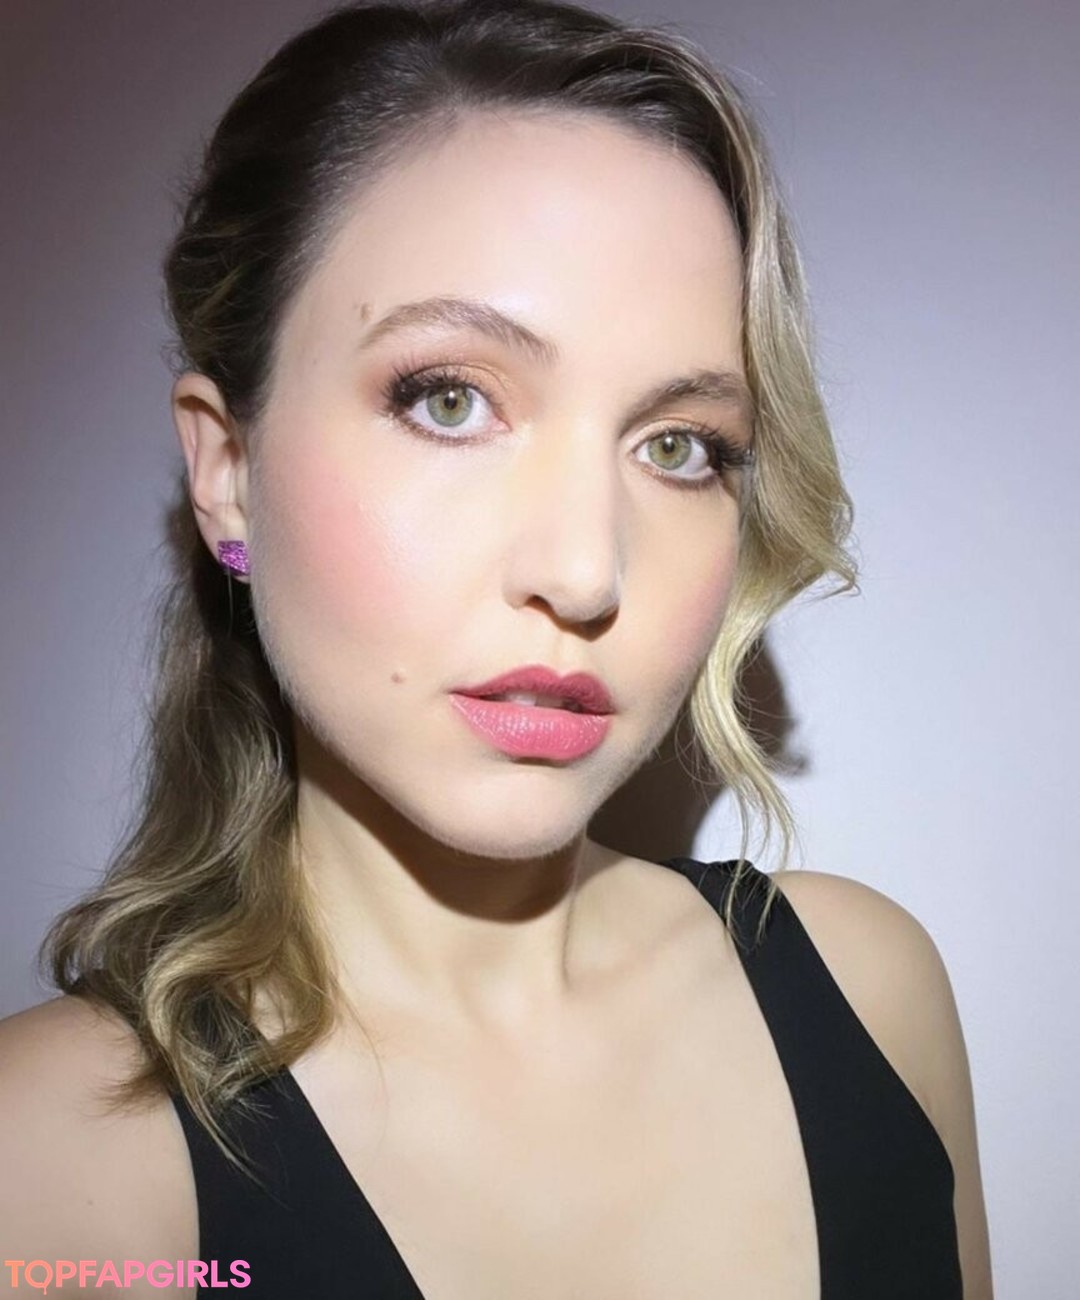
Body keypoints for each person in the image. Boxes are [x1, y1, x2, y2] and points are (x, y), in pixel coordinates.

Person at [0, 0, 993, 1296]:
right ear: (228, 470)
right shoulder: (52, 1171)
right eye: (451, 400)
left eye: (679, 445)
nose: (584, 570)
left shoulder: (873, 993)